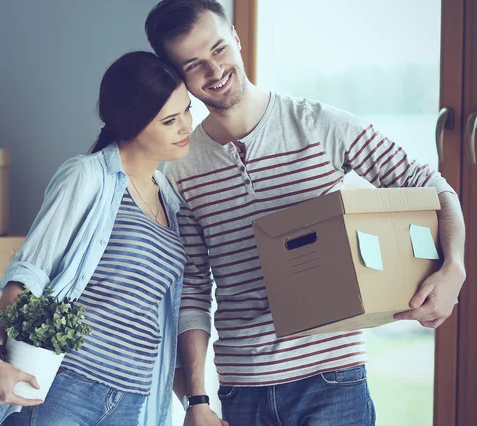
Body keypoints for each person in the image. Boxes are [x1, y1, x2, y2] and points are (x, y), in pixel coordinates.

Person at [144, 1, 467, 425]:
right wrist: (197, 400)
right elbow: (192, 294)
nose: (214, 70)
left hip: (332, 381)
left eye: (219, 49)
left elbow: (433, 187)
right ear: (177, 76)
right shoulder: (183, 169)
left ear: (237, 40)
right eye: (194, 64)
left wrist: (454, 267)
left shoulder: (318, 125)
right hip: (243, 389)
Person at [0, 50, 193, 426]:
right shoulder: (88, 176)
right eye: (170, 120)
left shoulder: (172, 202)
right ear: (134, 125)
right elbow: (28, 273)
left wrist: (196, 402)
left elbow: (157, 318)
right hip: (66, 387)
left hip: (131, 399)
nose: (186, 126)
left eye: (187, 110)